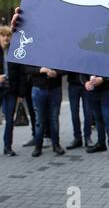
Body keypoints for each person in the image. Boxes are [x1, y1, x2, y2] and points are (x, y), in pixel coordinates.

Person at [26, 65, 65, 157]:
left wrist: (56, 72)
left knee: (54, 119)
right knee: (39, 120)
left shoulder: (57, 51)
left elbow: (65, 66)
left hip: (55, 88)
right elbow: (26, 68)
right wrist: (40, 70)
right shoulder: (33, 51)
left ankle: (56, 145)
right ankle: (38, 146)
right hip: (38, 88)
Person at [0, 26, 26, 156]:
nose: (6, 38)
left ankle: (7, 146)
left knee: (10, 119)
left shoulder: (15, 51)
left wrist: (21, 94)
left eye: (8, 36)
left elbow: (21, 74)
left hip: (11, 90)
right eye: (3, 35)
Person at [82, 74, 109, 159]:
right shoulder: (88, 60)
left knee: (108, 119)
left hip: (105, 91)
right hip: (92, 91)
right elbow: (82, 70)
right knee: (97, 119)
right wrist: (85, 82)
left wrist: (103, 79)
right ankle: (101, 143)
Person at [66, 72, 94, 149]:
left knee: (88, 113)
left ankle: (87, 137)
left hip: (87, 83)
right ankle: (77, 137)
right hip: (73, 84)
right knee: (74, 113)